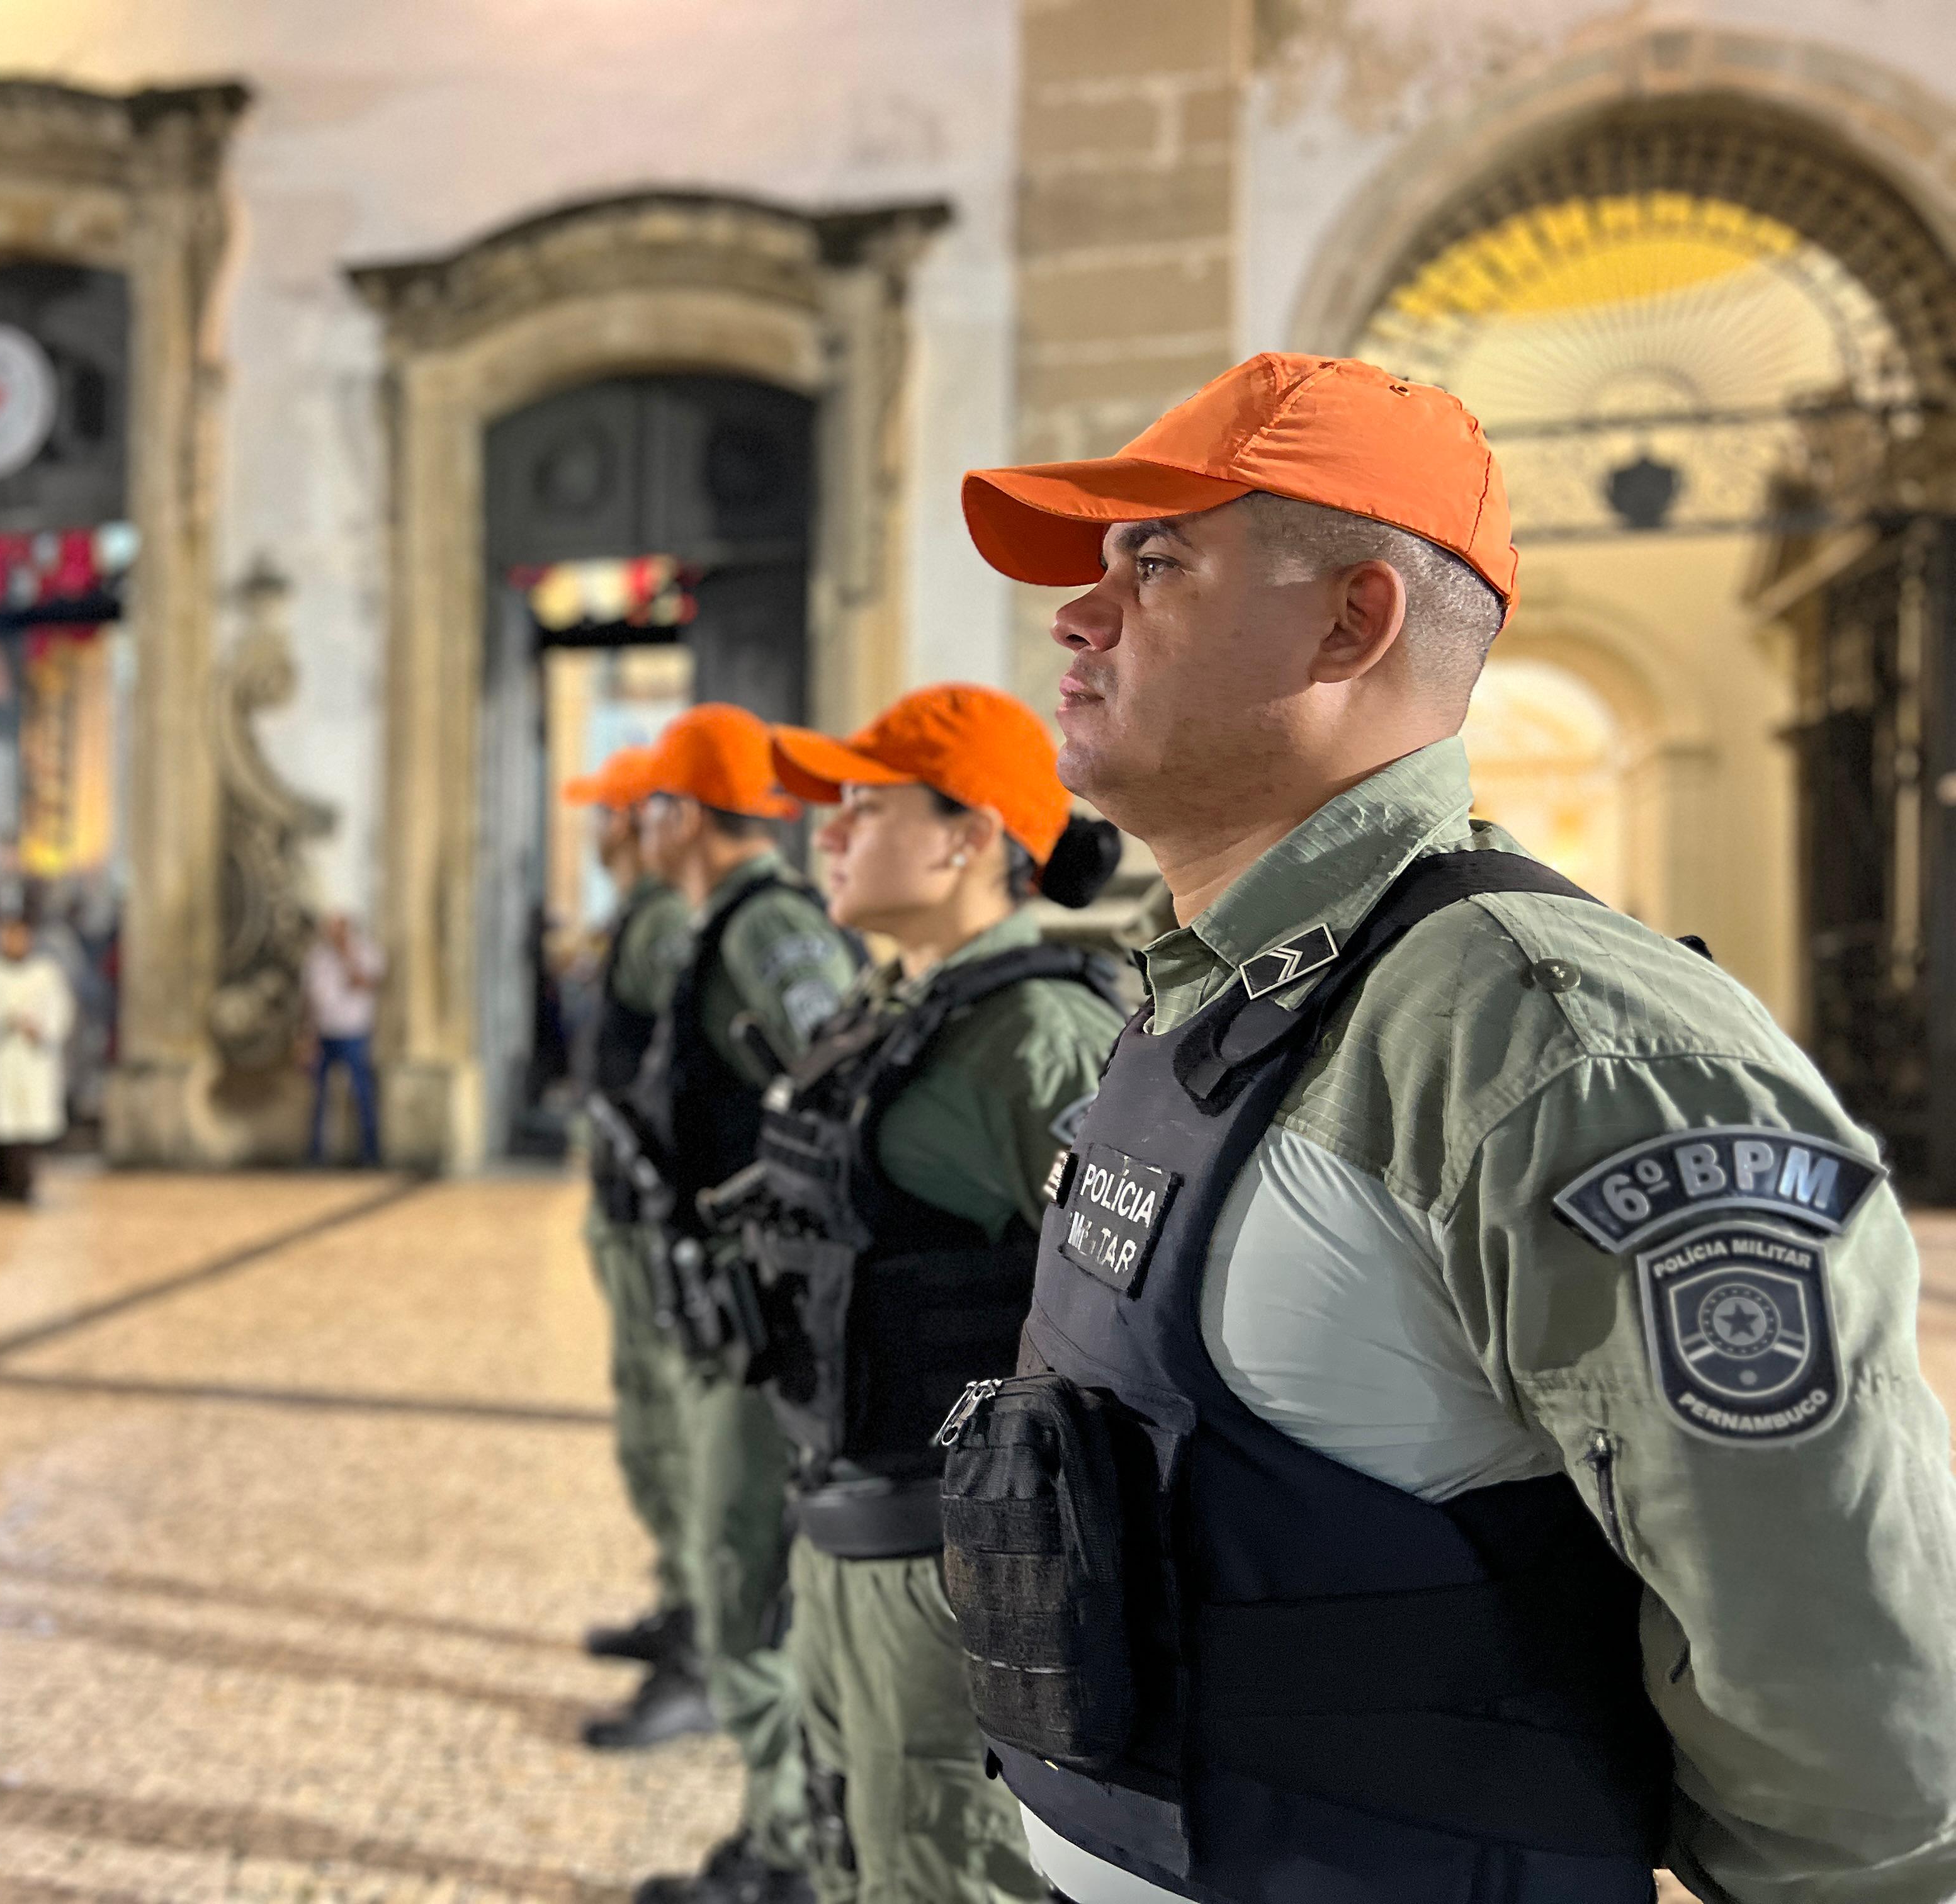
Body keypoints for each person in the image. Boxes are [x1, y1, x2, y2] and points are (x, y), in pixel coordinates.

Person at [936, 352, 1956, 1903]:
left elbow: (1850, 1709)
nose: (1081, 616)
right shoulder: (1199, 998)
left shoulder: (1562, 1051)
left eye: (1158, 561)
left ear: (1356, 619)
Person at [699, 683, 1128, 1904]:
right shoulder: (896, 1011)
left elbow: (1127, 1311)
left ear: (965, 837)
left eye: (863, 809)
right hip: (847, 1525)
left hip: (949, 1559)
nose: (824, 834)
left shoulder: (1032, 1032)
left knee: (939, 1868)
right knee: (862, 1850)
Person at [622, 703, 861, 1904]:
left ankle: (789, 1855)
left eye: (651, 803)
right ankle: (782, 1839)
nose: (637, 825)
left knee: (749, 1574)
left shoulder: (766, 927)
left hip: (770, 1310)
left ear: (686, 814)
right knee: (738, 1570)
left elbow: (829, 1084)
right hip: (736, 1297)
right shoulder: (726, 921)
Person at [560, 745, 708, 1747]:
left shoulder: (660, 925)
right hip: (629, 1206)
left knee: (670, 1430)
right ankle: (680, 1602)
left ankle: (704, 1638)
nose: (599, 829)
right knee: (650, 1426)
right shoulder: (640, 918)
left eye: (607, 812)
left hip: (655, 1216)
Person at [0, 909, 76, 1203]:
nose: (14, 941)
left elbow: (61, 1012)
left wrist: (41, 1029)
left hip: (31, 1060)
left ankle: (22, 1184)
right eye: (8, 935)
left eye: (20, 935)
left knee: (25, 1127)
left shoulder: (46, 973)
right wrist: (2, 1020)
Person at [303, 911, 386, 1166]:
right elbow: (310, 1001)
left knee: (362, 1094)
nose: (332, 934)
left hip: (354, 1033)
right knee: (319, 1097)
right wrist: (306, 1037)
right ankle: (317, 1156)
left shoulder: (368, 952)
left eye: (336, 929)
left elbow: (365, 982)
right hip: (324, 1034)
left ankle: (370, 1154)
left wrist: (347, 957)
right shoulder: (317, 958)